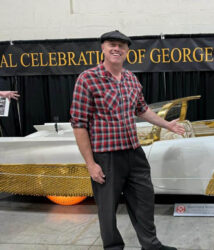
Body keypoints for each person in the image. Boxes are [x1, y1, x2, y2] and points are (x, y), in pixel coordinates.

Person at [70, 30, 184, 250]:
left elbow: (142, 110)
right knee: (107, 207)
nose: (117, 49)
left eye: (122, 46)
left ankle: (150, 245)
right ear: (102, 48)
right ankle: (113, 247)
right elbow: (79, 124)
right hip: (106, 156)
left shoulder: (131, 79)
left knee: (144, 200)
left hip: (134, 153)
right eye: (112, 44)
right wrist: (90, 163)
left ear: (127, 51)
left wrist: (167, 124)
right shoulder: (87, 79)